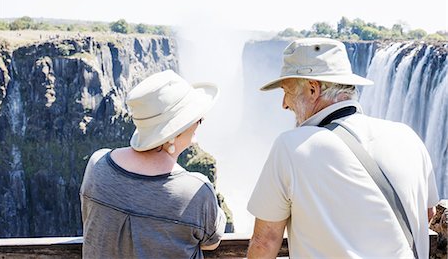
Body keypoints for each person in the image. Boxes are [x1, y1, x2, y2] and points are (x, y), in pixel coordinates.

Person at [247, 38, 439, 258]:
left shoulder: (291, 147)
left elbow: (265, 242)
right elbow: (427, 214)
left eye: (286, 91)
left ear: (312, 89)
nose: (284, 103)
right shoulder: (408, 138)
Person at [80, 70, 226, 258]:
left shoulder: (97, 165)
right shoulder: (195, 192)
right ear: (175, 132)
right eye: (198, 119)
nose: (199, 126)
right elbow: (211, 242)